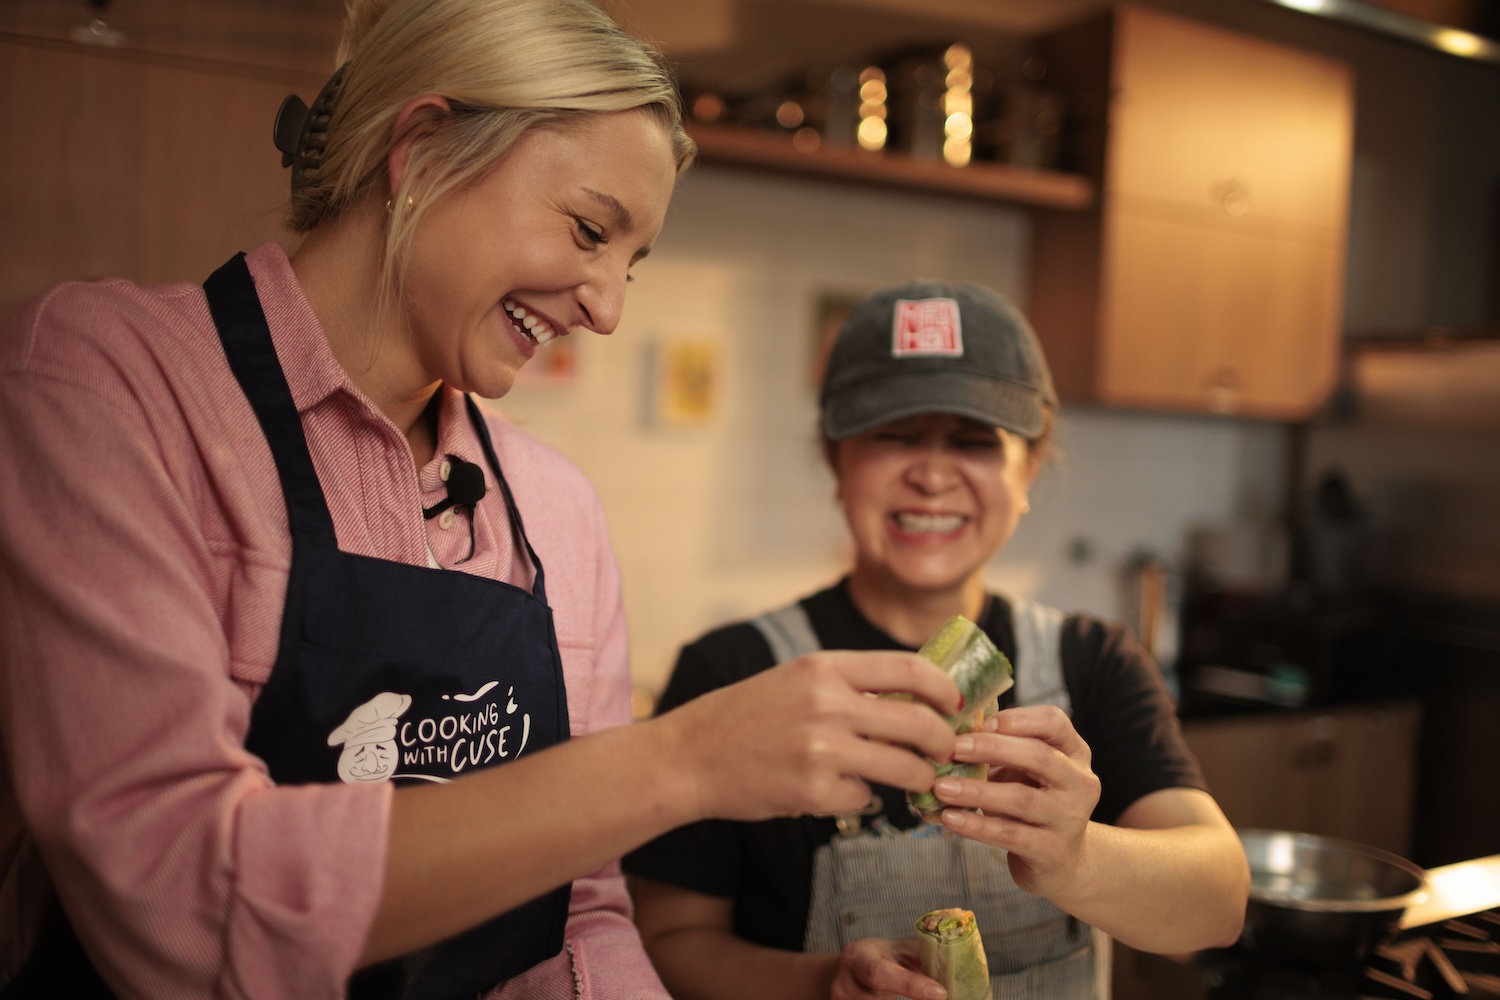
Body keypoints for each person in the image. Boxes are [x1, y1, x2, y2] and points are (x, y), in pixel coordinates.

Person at [0, 3, 966, 998]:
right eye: (590, 230)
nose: (606, 306)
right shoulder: (108, 378)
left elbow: (579, 911)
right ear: (418, 149)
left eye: (629, 264)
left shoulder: (557, 509)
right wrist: (681, 760)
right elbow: (170, 895)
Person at [624, 281, 1251, 1000]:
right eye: (893, 434)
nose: (930, 474)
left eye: (975, 441)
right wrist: (823, 983)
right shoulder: (732, 669)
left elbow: (1219, 905)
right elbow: (668, 941)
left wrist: (1075, 857)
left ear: (1030, 470)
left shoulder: (1094, 663)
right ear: (836, 461)